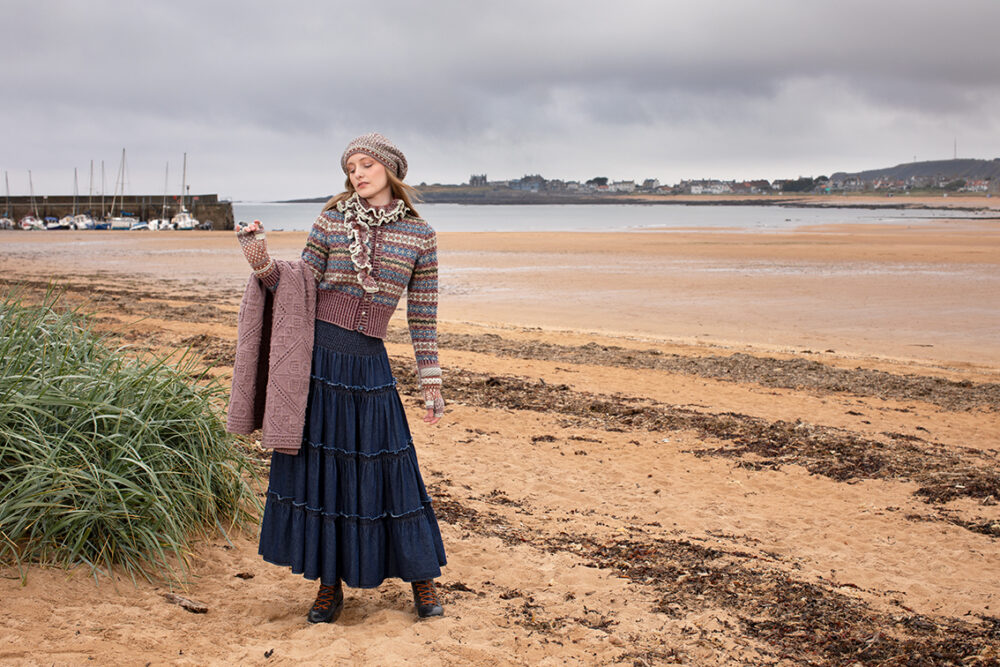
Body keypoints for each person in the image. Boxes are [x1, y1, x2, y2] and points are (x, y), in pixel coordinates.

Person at [234, 133, 447, 623]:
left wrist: (431, 385)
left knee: (393, 471)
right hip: (320, 363)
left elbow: (423, 316)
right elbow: (296, 290)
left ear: (390, 170)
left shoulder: (420, 235)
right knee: (322, 475)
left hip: (371, 366)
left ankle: (423, 580)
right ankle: (329, 586)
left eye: (367, 164)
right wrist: (259, 258)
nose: (358, 173)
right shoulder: (331, 221)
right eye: (351, 166)